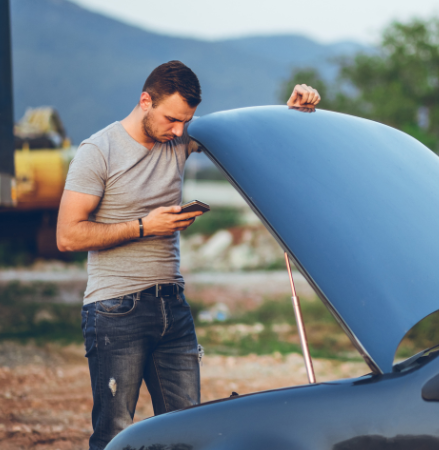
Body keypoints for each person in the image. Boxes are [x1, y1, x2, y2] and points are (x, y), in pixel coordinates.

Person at [56, 60, 320, 449]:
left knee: (188, 434)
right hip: (115, 310)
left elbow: (245, 135)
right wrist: (145, 227)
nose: (180, 131)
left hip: (173, 306)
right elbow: (67, 236)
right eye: (172, 119)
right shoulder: (98, 151)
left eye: (186, 121)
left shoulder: (178, 137)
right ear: (145, 101)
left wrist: (291, 110)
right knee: (114, 434)